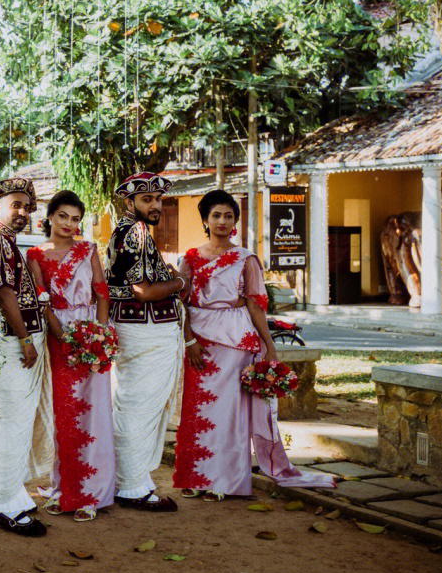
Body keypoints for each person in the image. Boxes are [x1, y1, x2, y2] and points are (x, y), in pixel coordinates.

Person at [174, 190, 335, 499]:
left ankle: (224, 481)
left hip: (235, 343)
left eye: (228, 216)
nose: (222, 221)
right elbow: (179, 302)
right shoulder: (190, 258)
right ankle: (196, 477)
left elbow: (255, 305)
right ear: (205, 220)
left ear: (235, 221)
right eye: (216, 215)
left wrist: (269, 347)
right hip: (199, 344)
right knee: (197, 411)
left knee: (229, 414)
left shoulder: (245, 258)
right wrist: (189, 340)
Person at [28, 190, 115, 523]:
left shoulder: (88, 249)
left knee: (94, 414)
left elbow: (101, 292)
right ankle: (65, 489)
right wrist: (62, 335)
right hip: (59, 336)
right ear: (50, 216)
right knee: (64, 413)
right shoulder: (36, 254)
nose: (69, 224)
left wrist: (100, 334)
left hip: (92, 332)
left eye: (75, 218)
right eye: (63, 216)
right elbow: (41, 300)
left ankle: (92, 493)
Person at [0, 177, 53, 537]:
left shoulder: (6, 239)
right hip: (11, 342)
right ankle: (7, 504)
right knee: (11, 421)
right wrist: (24, 338)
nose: (22, 212)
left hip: (13, 341)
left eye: (26, 206)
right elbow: (4, 294)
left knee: (7, 420)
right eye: (14, 205)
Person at [105, 172, 185, 513]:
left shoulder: (123, 230)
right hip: (145, 327)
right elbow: (143, 290)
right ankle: (132, 486)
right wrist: (180, 282)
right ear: (130, 202)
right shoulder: (136, 231)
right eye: (147, 200)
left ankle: (133, 478)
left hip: (134, 326)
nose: (155, 206)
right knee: (142, 408)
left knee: (131, 404)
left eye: (158, 199)